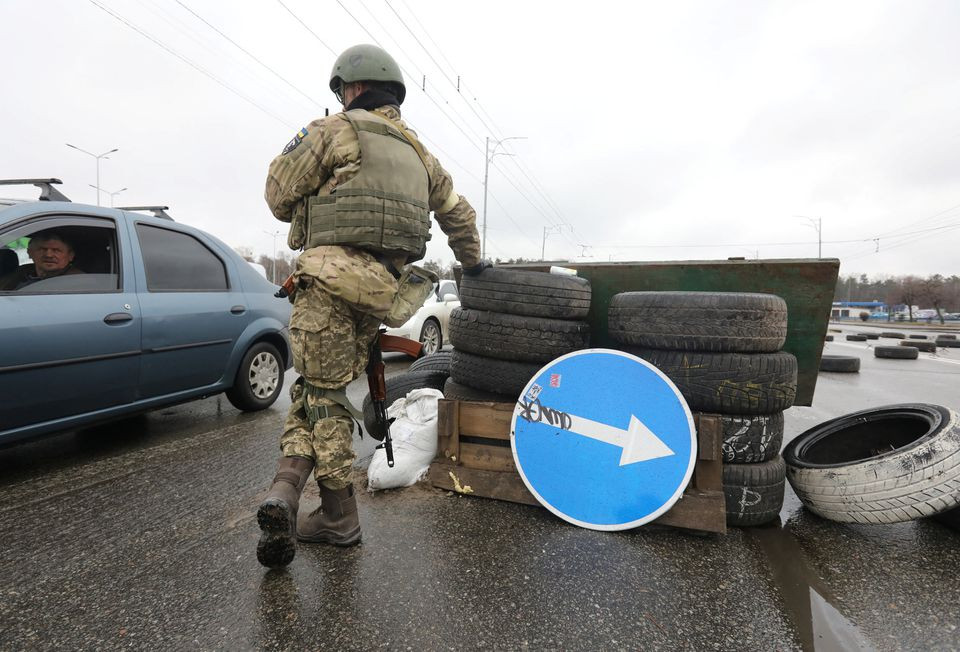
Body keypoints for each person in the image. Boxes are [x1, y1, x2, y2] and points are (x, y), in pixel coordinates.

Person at [256, 43, 489, 569]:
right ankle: (287, 493)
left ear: (352, 89)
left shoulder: (333, 131)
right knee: (316, 390)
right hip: (384, 293)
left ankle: (338, 515)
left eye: (342, 93)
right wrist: (473, 267)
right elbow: (460, 218)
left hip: (328, 284)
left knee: (323, 398)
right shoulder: (420, 153)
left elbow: (276, 195)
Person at [0, 230, 83, 291]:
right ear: (29, 253)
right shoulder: (21, 272)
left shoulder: (78, 282)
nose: (48, 255)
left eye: (56, 250)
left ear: (70, 255)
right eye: (42, 249)